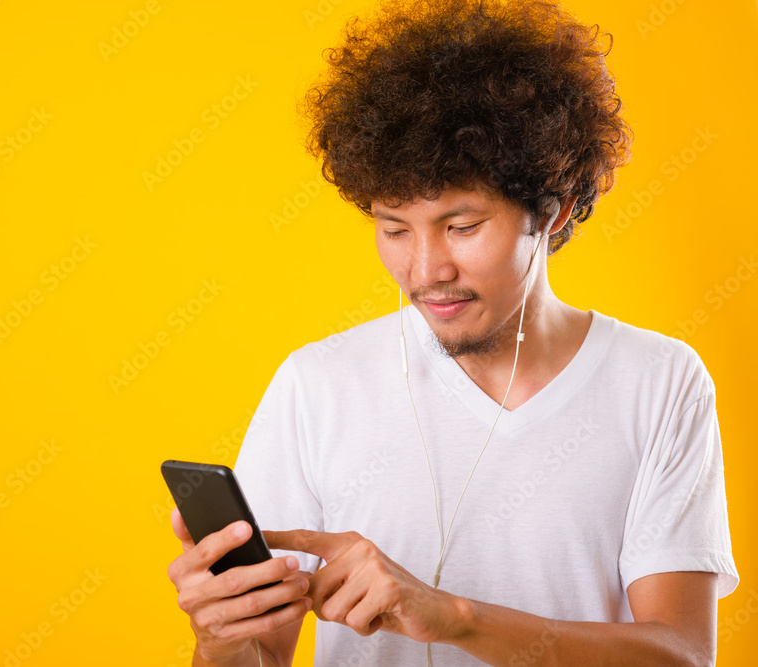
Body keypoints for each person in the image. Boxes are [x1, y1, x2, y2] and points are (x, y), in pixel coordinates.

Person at [165, 0, 739, 664]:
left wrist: (456, 618)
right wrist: (219, 636)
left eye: (461, 226)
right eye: (393, 228)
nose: (425, 269)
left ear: (551, 213)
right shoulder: (316, 386)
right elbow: (256, 657)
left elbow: (682, 654)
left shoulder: (658, 382)